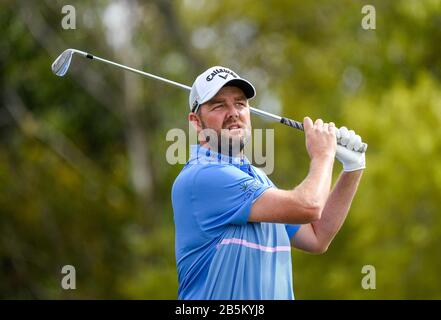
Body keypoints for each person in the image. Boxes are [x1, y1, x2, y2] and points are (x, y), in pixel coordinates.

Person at [171, 66, 366, 300]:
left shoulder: (257, 178)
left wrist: (353, 169)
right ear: (196, 121)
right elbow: (309, 206)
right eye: (219, 105)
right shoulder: (203, 177)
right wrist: (324, 155)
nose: (233, 112)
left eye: (240, 103)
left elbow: (317, 237)